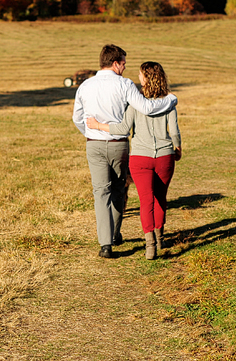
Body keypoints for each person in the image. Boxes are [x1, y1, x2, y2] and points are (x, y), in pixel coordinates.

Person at [72, 45, 177, 259]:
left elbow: (77, 117)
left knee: (100, 192)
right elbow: (147, 108)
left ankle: (106, 244)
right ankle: (116, 234)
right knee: (119, 188)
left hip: (94, 143)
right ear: (115, 63)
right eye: (124, 63)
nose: (125, 67)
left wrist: (90, 132)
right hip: (119, 143)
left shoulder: (85, 86)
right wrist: (171, 99)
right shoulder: (125, 84)